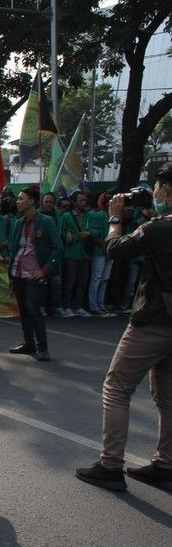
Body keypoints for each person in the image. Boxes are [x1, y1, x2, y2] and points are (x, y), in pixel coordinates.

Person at [76, 163, 172, 492]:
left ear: (167, 192)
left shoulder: (159, 228)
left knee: (116, 389)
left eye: (158, 188)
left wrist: (115, 219)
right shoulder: (158, 225)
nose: (155, 194)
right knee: (167, 397)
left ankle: (111, 465)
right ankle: (165, 464)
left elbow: (116, 249)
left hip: (154, 320)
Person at [7, 187, 63, 362]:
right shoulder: (17, 223)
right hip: (18, 273)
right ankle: (29, 343)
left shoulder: (46, 221)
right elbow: (14, 248)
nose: (17, 201)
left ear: (31, 201)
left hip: (34, 275)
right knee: (23, 310)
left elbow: (58, 248)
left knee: (34, 310)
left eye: (21, 198)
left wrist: (44, 270)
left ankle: (43, 348)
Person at [60, 190, 92, 317]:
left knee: (82, 282)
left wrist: (89, 233)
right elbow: (61, 235)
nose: (84, 202)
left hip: (85, 253)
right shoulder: (66, 216)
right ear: (73, 202)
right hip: (71, 254)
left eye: (85, 200)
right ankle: (66, 306)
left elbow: (94, 230)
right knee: (69, 281)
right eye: (81, 200)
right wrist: (68, 234)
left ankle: (78, 306)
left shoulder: (89, 215)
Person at [86, 193, 113, 316]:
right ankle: (93, 306)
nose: (110, 203)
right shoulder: (96, 215)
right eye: (108, 201)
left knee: (105, 279)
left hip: (110, 252)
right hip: (100, 251)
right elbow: (93, 232)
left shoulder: (114, 216)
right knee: (96, 278)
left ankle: (101, 305)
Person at [40, 191, 66, 316]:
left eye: (51, 202)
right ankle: (41, 306)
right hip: (42, 252)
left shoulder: (60, 215)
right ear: (42, 202)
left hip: (56, 253)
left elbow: (64, 230)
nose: (48, 204)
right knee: (42, 282)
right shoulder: (37, 215)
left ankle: (57, 306)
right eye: (46, 202)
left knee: (56, 281)